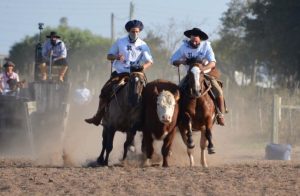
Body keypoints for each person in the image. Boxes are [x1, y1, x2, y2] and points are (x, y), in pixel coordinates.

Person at [85, 19, 153, 126]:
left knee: (150, 94)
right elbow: (109, 56)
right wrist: (116, 56)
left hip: (137, 74)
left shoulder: (143, 45)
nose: (135, 33)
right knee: (105, 90)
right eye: (132, 31)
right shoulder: (120, 42)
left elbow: (149, 61)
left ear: (139, 32)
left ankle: (149, 120)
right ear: (128, 31)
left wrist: (142, 67)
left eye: (137, 32)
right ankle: (98, 116)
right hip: (121, 73)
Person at [170, 27, 225, 126]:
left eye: (196, 41)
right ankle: (177, 117)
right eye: (192, 40)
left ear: (200, 39)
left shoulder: (206, 46)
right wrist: (183, 61)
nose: (194, 43)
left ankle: (220, 115)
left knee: (218, 91)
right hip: (190, 75)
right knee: (178, 91)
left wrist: (202, 69)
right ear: (190, 38)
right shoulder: (184, 47)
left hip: (205, 74)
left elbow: (213, 63)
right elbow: (173, 60)